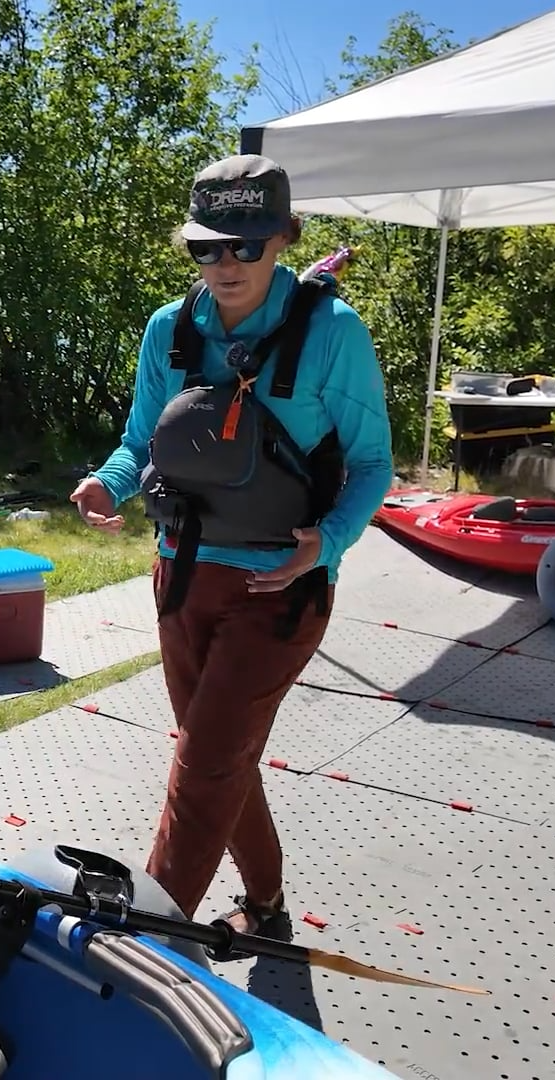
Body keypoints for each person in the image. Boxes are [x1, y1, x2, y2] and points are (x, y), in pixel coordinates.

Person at [69, 153, 393, 935]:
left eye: (246, 245)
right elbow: (141, 441)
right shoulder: (170, 329)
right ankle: (267, 905)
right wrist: (107, 484)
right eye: (206, 247)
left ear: (284, 237)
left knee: (207, 763)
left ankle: (146, 941)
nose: (226, 263)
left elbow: (372, 463)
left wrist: (328, 543)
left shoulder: (332, 332)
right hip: (181, 577)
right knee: (216, 754)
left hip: (278, 587)